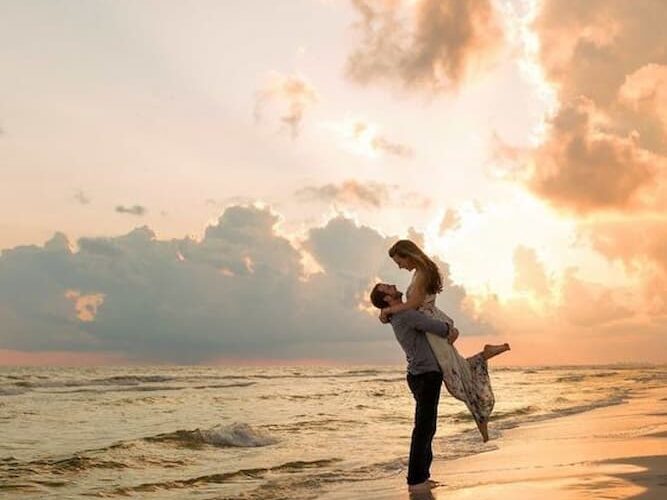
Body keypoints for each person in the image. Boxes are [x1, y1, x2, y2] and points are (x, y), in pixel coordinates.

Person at [380, 239, 510, 442]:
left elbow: (414, 304)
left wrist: (388, 310)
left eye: (399, 261)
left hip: (432, 327)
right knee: (459, 369)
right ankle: (484, 358)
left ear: (408, 255)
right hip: (433, 322)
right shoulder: (422, 272)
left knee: (457, 377)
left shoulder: (422, 274)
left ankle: (482, 418)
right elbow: (413, 308)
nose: (400, 266)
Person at [370, 282, 457, 493]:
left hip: (420, 374)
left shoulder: (398, 313)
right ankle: (416, 480)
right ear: (387, 299)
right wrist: (450, 329)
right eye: (387, 288)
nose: (392, 285)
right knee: (424, 429)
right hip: (425, 374)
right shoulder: (405, 315)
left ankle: (422, 476)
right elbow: (434, 327)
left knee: (426, 427)